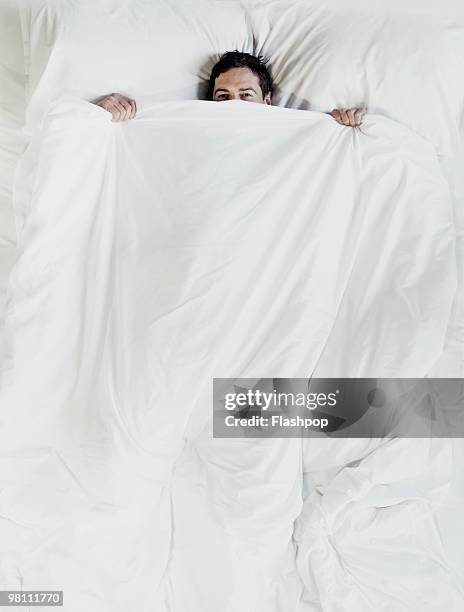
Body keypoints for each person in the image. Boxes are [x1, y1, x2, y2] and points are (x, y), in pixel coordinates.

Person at [97, 51, 366, 127]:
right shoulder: (190, 124)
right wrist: (110, 112)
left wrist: (345, 128)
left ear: (268, 101)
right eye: (223, 96)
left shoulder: (297, 129)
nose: (234, 104)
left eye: (246, 95)